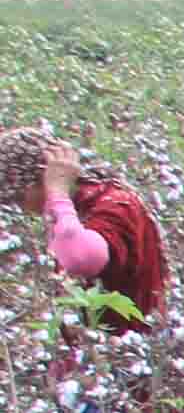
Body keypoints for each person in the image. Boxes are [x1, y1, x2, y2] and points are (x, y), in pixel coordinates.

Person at [3, 126, 169, 332]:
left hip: (123, 353)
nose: (24, 209)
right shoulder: (77, 208)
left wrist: (57, 194)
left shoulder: (114, 205)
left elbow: (82, 259)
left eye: (19, 198)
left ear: (44, 177)